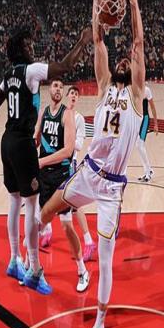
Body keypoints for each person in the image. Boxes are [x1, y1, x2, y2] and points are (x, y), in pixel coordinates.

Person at [38, 0, 145, 328]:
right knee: (45, 212)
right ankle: (32, 262)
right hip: (88, 172)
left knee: (107, 258)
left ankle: (99, 325)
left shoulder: (136, 95)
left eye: (128, 61)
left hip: (112, 189)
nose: (124, 61)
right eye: (121, 61)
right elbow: (99, 40)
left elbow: (137, 42)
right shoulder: (103, 87)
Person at [0, 26, 91, 295]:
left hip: (6, 141)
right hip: (22, 144)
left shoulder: (8, 76)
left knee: (14, 201)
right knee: (31, 205)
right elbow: (65, 66)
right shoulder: (31, 71)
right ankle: (35, 270)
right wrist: (82, 40)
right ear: (20, 50)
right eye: (27, 46)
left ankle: (14, 259)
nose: (31, 49)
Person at [35, 79, 89, 292]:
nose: (57, 89)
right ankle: (32, 267)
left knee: (66, 226)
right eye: (55, 86)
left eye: (60, 86)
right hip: (44, 177)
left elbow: (68, 151)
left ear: (63, 91)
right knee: (37, 223)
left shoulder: (68, 115)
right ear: (49, 89)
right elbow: (35, 139)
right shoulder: (43, 113)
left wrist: (41, 161)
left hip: (61, 176)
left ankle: (82, 270)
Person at [67, 85, 96, 262]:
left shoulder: (79, 119)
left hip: (68, 163)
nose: (74, 96)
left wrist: (65, 141)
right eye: (72, 93)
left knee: (74, 205)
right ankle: (44, 231)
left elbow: (78, 145)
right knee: (47, 200)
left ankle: (88, 240)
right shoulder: (61, 114)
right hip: (55, 163)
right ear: (67, 96)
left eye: (76, 94)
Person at [137, 83, 159, 182]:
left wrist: (156, 124)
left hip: (144, 119)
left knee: (140, 145)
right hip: (136, 119)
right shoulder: (131, 89)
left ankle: (148, 172)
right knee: (138, 146)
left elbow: (153, 107)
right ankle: (148, 170)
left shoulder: (146, 90)